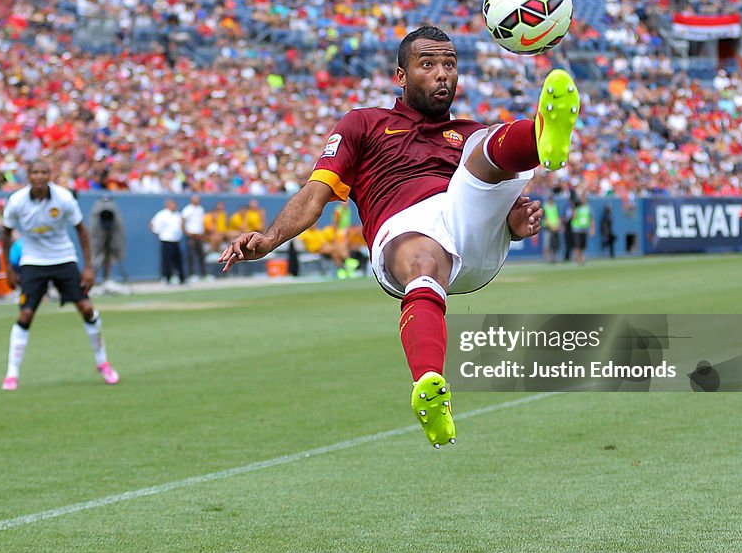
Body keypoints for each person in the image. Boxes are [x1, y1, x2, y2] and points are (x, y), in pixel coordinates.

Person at [221, 26, 577, 448]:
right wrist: (269, 238)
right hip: (403, 232)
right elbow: (314, 195)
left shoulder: (465, 130)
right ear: (401, 76)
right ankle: (430, 387)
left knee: (482, 146)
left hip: (468, 228)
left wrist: (514, 225)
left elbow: (496, 213)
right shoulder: (364, 124)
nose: (442, 74)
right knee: (426, 257)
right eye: (427, 64)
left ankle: (541, 136)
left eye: (449, 64)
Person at [0, 160, 119, 390]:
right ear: (29, 176)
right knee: (25, 315)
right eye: (35, 172)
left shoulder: (63, 198)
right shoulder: (16, 201)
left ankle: (103, 362)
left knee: (86, 308)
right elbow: (5, 235)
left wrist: (88, 268)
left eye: (44, 172)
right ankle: (12, 373)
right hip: (33, 260)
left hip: (63, 258)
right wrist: (8, 269)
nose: (39, 176)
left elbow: (81, 231)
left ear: (49, 175)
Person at [89, 194, 130, 293]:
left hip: (111, 238)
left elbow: (114, 224)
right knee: (96, 259)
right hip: (99, 238)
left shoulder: (113, 210)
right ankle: (91, 282)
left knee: (109, 259)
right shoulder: (97, 210)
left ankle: (106, 280)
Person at [149, 198, 185, 285]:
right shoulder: (162, 214)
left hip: (176, 240)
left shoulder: (177, 214)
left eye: (175, 204)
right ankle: (168, 278)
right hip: (166, 240)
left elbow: (181, 226)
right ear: (167, 205)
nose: (174, 206)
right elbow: (152, 224)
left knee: (178, 260)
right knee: (167, 261)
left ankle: (181, 278)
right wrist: (158, 234)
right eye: (172, 204)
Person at [182, 194, 207, 281]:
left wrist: (203, 233)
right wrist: (186, 233)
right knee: (191, 256)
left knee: (201, 255)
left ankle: (204, 274)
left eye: (198, 199)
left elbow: (202, 222)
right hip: (191, 236)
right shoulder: (188, 209)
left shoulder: (201, 209)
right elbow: (183, 221)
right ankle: (191, 275)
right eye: (195, 199)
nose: (197, 200)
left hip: (199, 236)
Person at [570, 195, 593, 265]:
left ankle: (582, 258)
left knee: (583, 245)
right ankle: (577, 259)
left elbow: (590, 218)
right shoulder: (577, 208)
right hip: (577, 228)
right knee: (577, 245)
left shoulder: (588, 208)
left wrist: (592, 228)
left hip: (584, 228)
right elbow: (573, 217)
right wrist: (574, 208)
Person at [541, 193, 561, 264]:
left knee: (554, 244)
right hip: (547, 228)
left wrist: (557, 226)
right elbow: (545, 218)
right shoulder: (544, 207)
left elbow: (558, 216)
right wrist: (552, 227)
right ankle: (547, 258)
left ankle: (554, 258)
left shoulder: (555, 206)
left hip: (555, 228)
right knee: (547, 244)